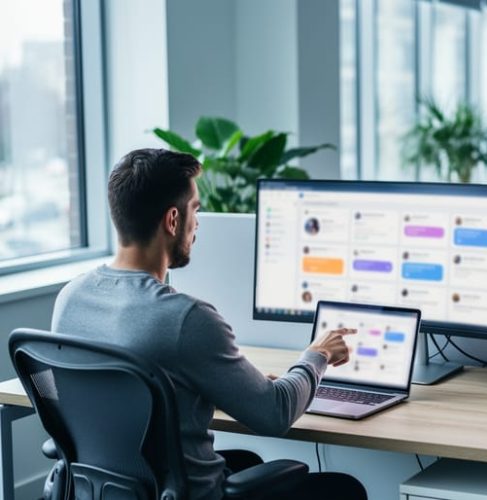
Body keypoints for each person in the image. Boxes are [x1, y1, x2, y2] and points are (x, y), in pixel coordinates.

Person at [51, 149, 367, 500]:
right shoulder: (186, 320)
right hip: (184, 494)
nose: (197, 223)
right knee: (342, 489)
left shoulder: (70, 298)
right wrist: (316, 355)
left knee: (246, 460)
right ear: (173, 220)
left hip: (110, 490)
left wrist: (229, 385)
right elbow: (274, 414)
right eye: (195, 210)